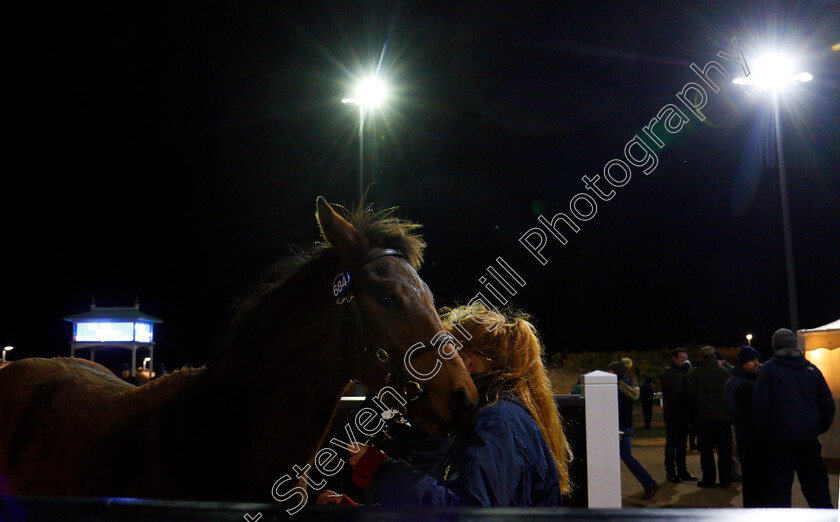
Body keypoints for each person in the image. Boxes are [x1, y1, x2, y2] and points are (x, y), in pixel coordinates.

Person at [320, 303, 572, 506]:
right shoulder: (494, 416)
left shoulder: (497, 422)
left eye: (445, 356)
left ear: (469, 363)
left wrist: (384, 472)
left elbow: (466, 513)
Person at [753, 328, 835, 508]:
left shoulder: (769, 370)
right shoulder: (812, 370)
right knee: (816, 488)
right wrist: (815, 428)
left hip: (780, 440)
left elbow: (760, 406)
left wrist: (766, 431)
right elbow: (828, 405)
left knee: (779, 490)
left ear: (774, 347)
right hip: (808, 438)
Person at [608, 361, 660, 500]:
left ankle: (649, 483)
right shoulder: (628, 385)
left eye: (610, 371)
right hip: (627, 425)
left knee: (625, 456)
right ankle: (649, 484)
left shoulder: (615, 387)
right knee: (625, 455)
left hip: (620, 426)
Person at [723, 345, 768, 506]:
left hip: (764, 437)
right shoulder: (733, 382)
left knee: (765, 478)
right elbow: (729, 407)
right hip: (746, 437)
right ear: (742, 363)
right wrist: (748, 413)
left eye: (757, 360)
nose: (756, 364)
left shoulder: (762, 379)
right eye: (751, 360)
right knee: (750, 479)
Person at [686, 346, 732, 488]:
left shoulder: (695, 373)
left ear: (702, 357)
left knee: (706, 451)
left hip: (703, 417)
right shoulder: (726, 373)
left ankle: (709, 479)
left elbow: (691, 393)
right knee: (725, 450)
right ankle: (726, 479)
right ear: (714, 357)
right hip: (723, 417)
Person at [660, 348, 696, 483]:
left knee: (682, 444)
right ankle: (670, 472)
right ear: (674, 358)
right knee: (672, 444)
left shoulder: (685, 373)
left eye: (685, 358)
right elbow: (676, 386)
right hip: (673, 414)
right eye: (681, 358)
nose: (684, 360)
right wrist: (686, 372)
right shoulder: (668, 372)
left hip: (684, 413)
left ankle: (682, 470)